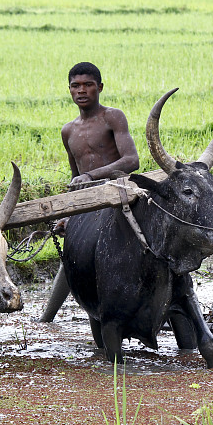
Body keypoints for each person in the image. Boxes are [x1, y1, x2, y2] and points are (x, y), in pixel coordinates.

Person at [39, 62, 140, 322]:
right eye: (76, 86)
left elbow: (131, 160)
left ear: (100, 88)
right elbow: (76, 179)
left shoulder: (112, 117)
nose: (81, 91)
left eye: (88, 85)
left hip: (118, 194)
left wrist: (92, 175)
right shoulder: (68, 130)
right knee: (73, 255)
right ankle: (46, 319)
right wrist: (69, 216)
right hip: (86, 202)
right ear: (69, 90)